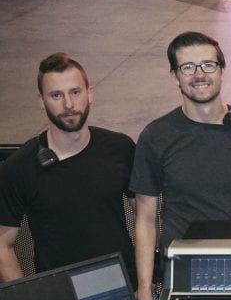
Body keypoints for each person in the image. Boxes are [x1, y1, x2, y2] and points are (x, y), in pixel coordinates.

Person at [129, 32, 231, 300]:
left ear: (222, 71)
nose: (199, 74)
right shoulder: (156, 136)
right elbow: (146, 220)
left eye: (208, 65)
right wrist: (145, 291)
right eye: (187, 67)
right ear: (175, 76)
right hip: (182, 273)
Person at [0, 53, 137, 285]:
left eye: (75, 92)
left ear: (89, 93)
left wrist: (144, 287)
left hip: (123, 288)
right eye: (56, 95)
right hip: (61, 299)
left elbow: (145, 216)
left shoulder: (120, 148)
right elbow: (2, 244)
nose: (69, 105)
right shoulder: (19, 167)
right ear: (41, 101)